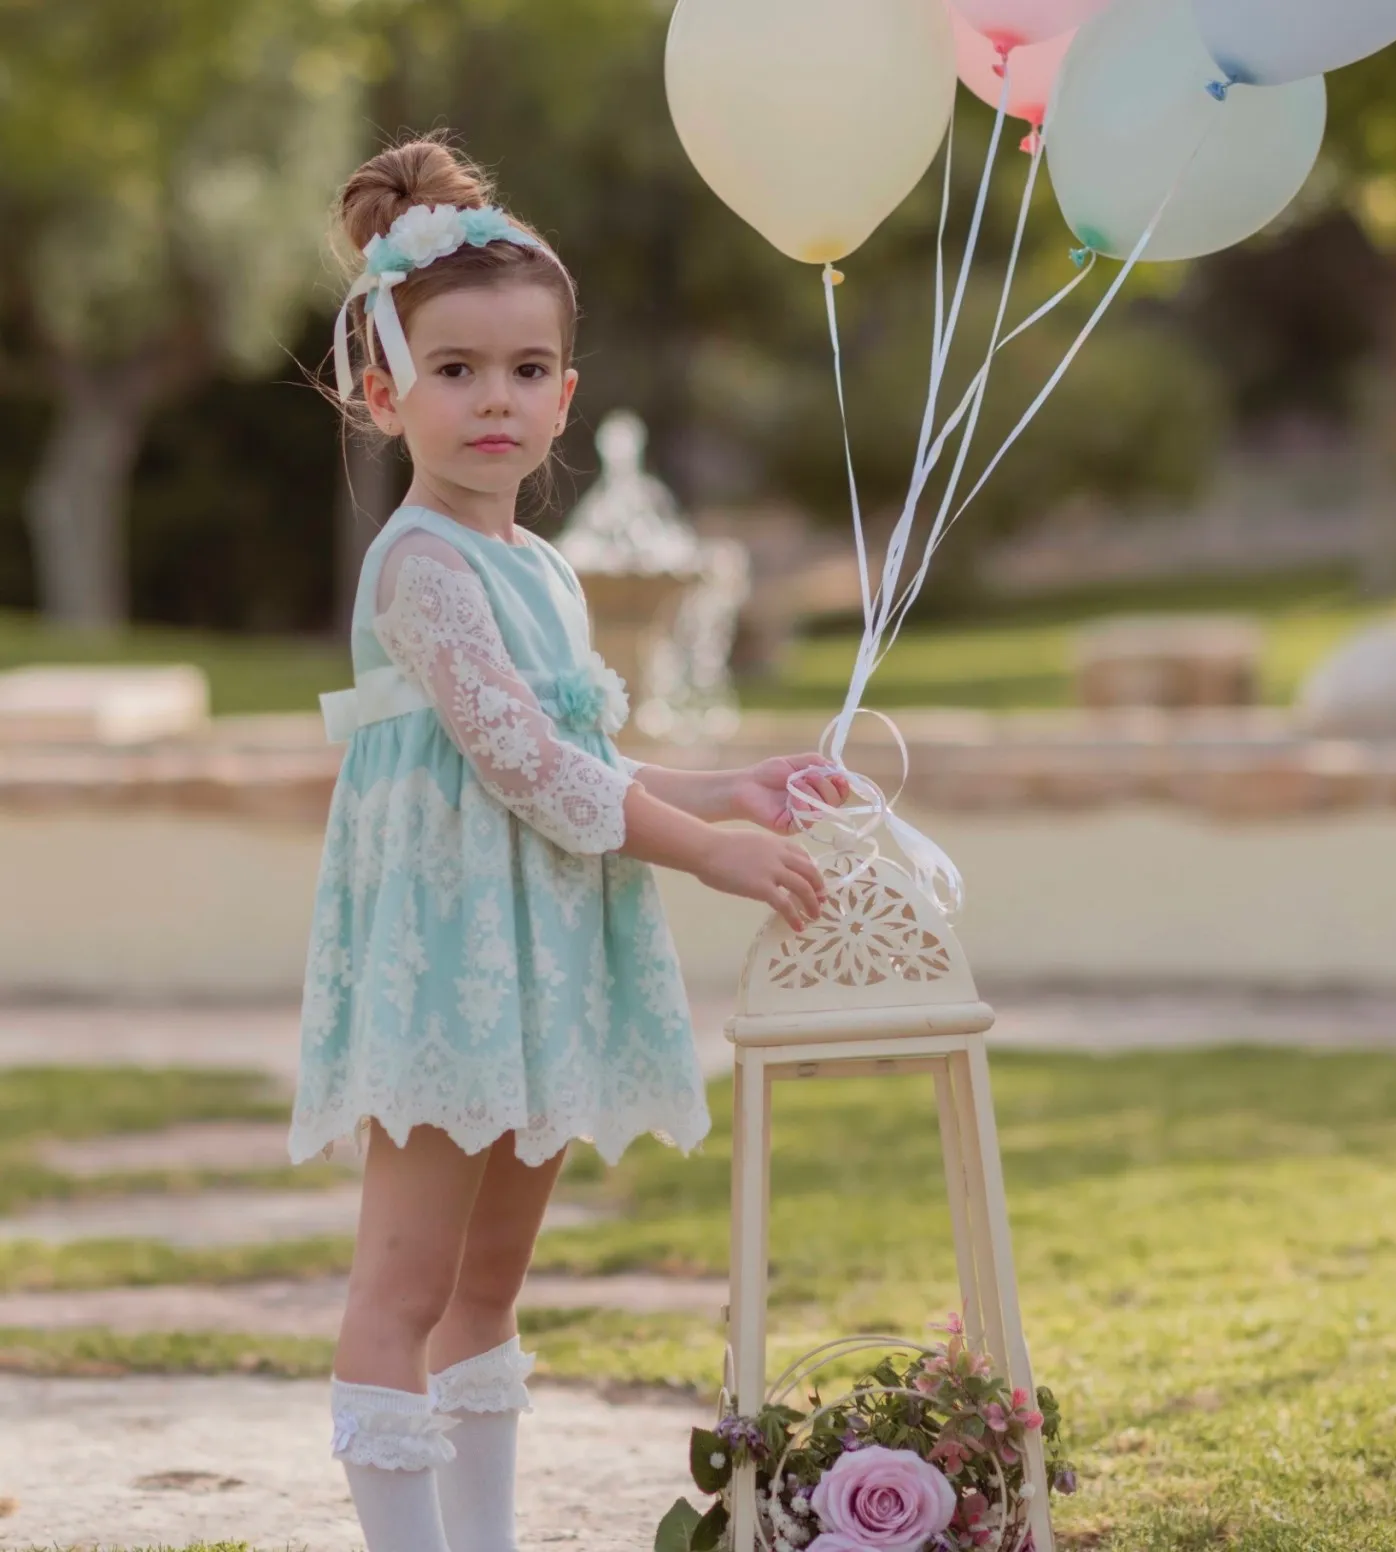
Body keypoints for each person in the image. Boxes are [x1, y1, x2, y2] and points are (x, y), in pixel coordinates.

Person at [287, 136, 848, 1552]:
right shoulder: (419, 565)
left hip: (533, 957)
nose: (495, 400)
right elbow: (524, 765)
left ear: (567, 396)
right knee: (406, 1285)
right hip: (448, 966)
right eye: (456, 369)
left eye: (526, 370)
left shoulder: (539, 566)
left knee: (489, 1286)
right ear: (382, 390)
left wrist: (725, 790)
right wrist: (698, 857)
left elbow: (584, 754)